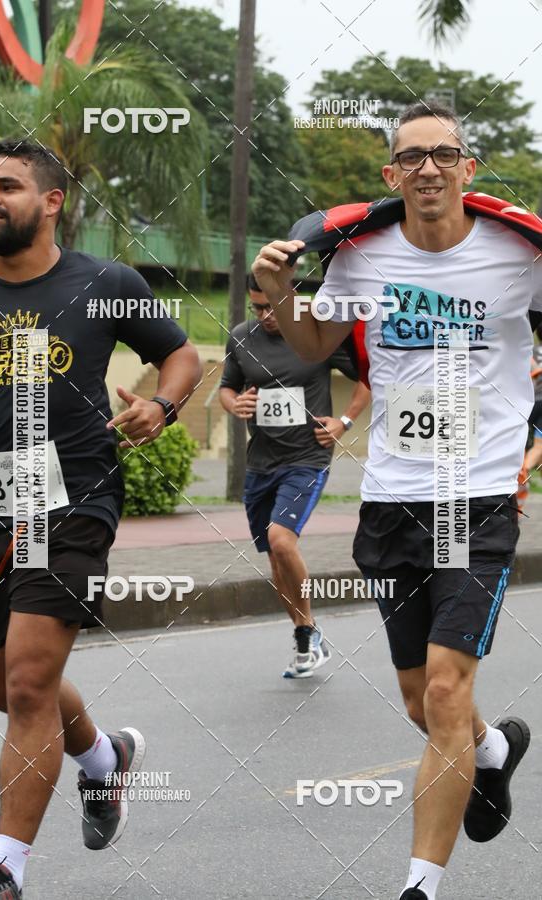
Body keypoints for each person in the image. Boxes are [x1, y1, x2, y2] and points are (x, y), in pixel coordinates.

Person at [252, 102, 541, 899]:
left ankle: (419, 885)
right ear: (390, 176)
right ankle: (488, 753)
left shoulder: (520, 254)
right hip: (391, 499)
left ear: (468, 167)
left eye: (443, 153)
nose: (427, 169)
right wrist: (279, 294)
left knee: (448, 688)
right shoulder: (363, 256)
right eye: (410, 158)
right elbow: (316, 347)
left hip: (472, 497)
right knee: (422, 702)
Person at [0, 139, 201, 899]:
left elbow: (180, 355)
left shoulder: (104, 282)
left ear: (52, 202)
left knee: (27, 685)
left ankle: (4, 872)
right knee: (13, 689)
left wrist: (162, 402)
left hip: (75, 501)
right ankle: (103, 759)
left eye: (10, 186)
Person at [219, 273, 370, 678]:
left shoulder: (316, 335)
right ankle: (307, 633)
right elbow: (226, 388)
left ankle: (306, 633)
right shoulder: (241, 337)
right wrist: (236, 405)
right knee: (276, 560)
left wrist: (344, 422)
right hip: (261, 462)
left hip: (308, 458)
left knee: (280, 540)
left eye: (272, 306)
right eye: (257, 307)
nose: (266, 315)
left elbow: (368, 382)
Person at [517, 325, 542, 508]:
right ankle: (521, 473)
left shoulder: (530, 351)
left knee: (527, 445)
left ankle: (520, 471)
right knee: (539, 448)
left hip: (529, 403)